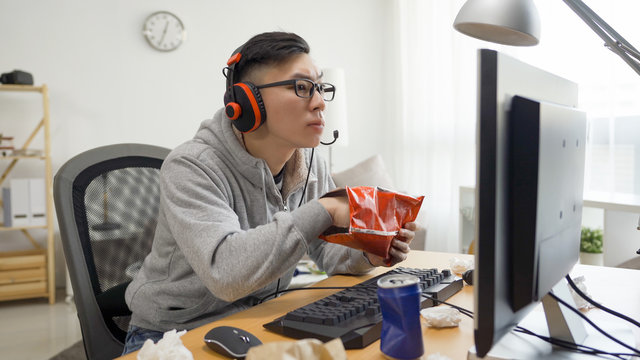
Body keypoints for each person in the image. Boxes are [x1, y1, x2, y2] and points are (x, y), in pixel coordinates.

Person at [122, 31, 417, 355]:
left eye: (320, 88)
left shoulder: (308, 164)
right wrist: (326, 209)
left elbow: (328, 256)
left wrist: (367, 252)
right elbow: (227, 273)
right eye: (302, 87)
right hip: (172, 336)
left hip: (257, 319)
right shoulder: (191, 166)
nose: (319, 102)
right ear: (247, 103)